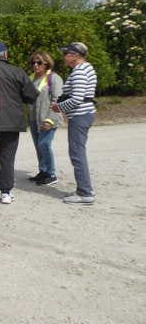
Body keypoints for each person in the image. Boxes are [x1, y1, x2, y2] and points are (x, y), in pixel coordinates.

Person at [0, 42, 39, 204]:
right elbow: (31, 95)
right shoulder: (17, 71)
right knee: (8, 156)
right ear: (5, 54)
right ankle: (6, 192)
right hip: (12, 119)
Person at [52, 42, 97, 205]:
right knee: (78, 152)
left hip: (80, 115)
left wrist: (59, 107)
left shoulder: (79, 71)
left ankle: (85, 193)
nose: (64, 57)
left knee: (77, 154)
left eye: (66, 53)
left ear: (75, 55)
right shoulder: (87, 68)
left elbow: (77, 98)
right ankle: (85, 189)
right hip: (85, 114)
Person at [27, 51, 63, 186]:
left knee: (44, 144)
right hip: (34, 119)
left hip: (48, 119)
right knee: (39, 146)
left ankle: (51, 174)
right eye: (33, 62)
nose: (35, 65)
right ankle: (43, 171)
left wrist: (50, 120)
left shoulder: (54, 78)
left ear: (47, 64)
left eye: (39, 62)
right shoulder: (31, 78)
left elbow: (57, 100)